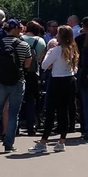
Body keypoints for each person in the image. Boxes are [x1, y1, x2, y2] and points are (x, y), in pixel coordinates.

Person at [0, 19, 32, 153]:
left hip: (1, 81)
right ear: (15, 29)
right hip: (18, 81)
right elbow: (27, 63)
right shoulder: (24, 45)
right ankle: (8, 143)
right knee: (13, 114)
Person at [30, 24, 80, 153]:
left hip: (57, 81)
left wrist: (49, 53)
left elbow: (44, 65)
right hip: (69, 80)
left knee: (51, 111)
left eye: (58, 33)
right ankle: (62, 141)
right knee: (64, 111)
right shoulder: (72, 48)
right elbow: (75, 67)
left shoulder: (57, 49)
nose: (56, 35)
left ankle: (43, 141)